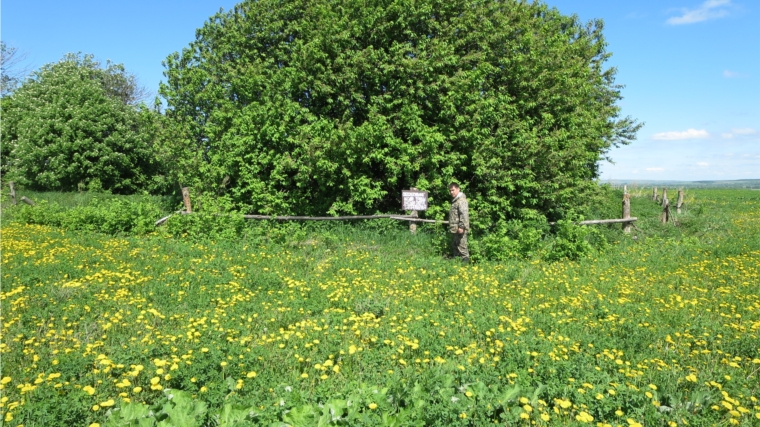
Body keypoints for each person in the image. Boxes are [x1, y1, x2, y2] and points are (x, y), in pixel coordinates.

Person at [448, 182, 470, 263]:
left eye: (453, 190)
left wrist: (461, 226)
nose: (451, 192)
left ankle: (465, 266)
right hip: (455, 229)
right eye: (450, 191)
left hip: (460, 229)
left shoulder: (461, 200)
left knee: (462, 248)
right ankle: (456, 265)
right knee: (456, 247)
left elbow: (464, 214)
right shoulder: (455, 201)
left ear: (458, 189)